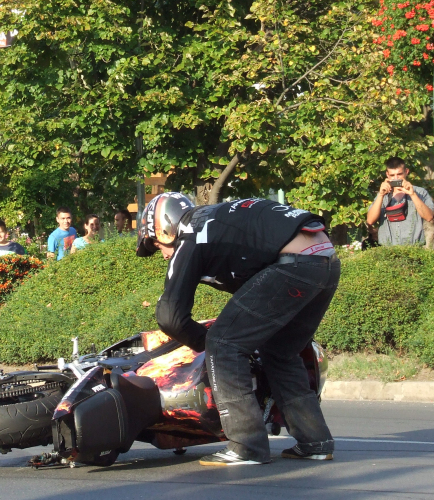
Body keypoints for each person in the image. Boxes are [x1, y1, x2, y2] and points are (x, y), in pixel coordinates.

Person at [136, 193, 340, 466]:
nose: (161, 254)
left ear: (165, 227)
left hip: (296, 264)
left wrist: (206, 346)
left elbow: (169, 315)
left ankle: (247, 445)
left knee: (223, 345)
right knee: (281, 351)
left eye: (156, 243)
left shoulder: (192, 232)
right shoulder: (214, 220)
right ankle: (315, 442)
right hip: (326, 261)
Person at [366, 157, 434, 246]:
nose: (396, 178)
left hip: (413, 249)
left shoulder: (420, 192)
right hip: (387, 250)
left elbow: (429, 217)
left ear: (406, 172)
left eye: (399, 174)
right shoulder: (383, 194)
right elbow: (370, 221)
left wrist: (412, 194)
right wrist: (381, 195)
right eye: (392, 175)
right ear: (387, 174)